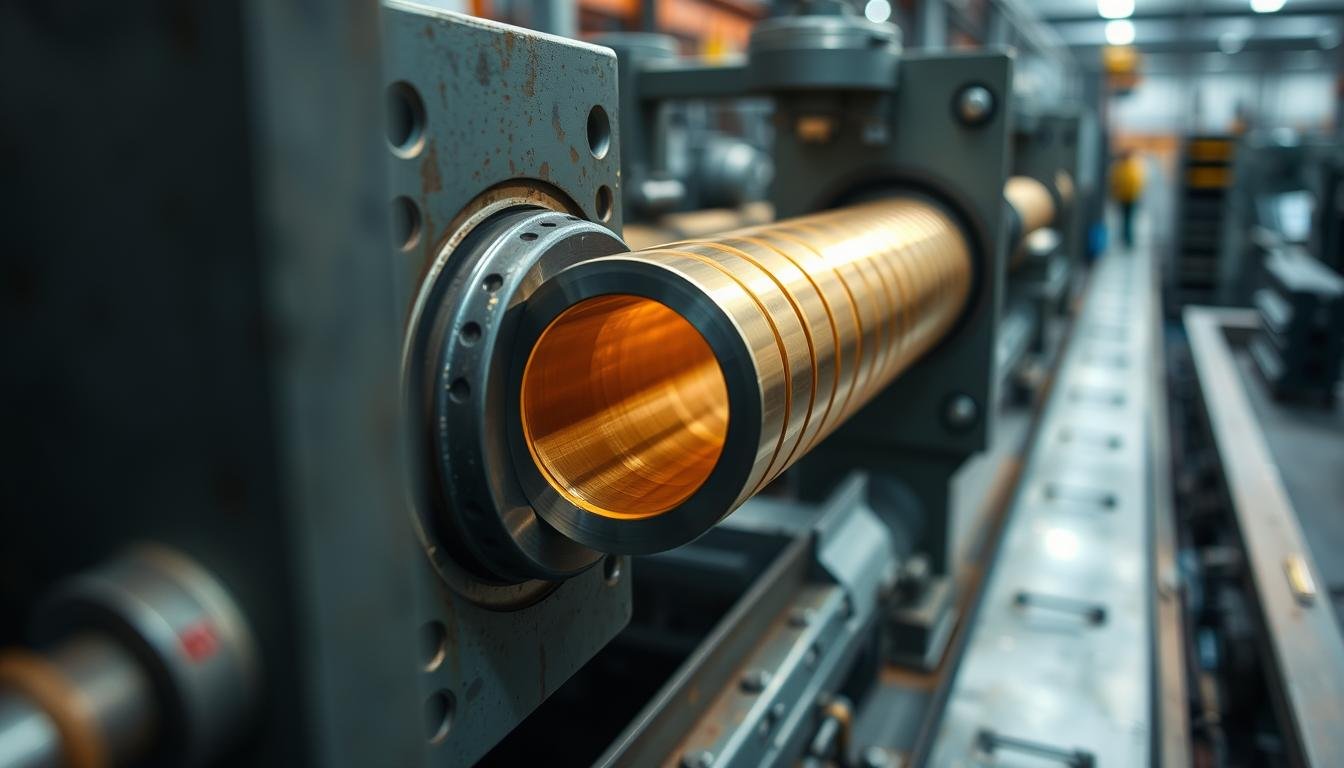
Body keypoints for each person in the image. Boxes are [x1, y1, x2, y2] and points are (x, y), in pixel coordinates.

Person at [1110, 149, 1144, 250]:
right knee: (1125, 219)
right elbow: (1115, 182)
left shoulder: (1131, 166)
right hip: (1124, 197)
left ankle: (1128, 240)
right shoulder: (1125, 167)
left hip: (1131, 197)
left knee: (1128, 220)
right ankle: (1125, 239)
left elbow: (1137, 182)